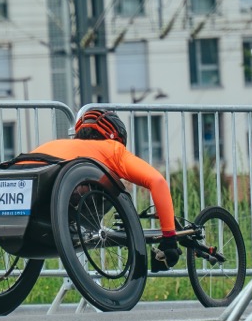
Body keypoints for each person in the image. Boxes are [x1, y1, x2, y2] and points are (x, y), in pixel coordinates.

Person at [30, 108, 181, 272]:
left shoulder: (53, 144)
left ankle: (71, 226)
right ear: (116, 135)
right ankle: (79, 226)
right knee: (113, 185)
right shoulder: (112, 148)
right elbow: (158, 181)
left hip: (29, 190)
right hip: (68, 199)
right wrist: (169, 240)